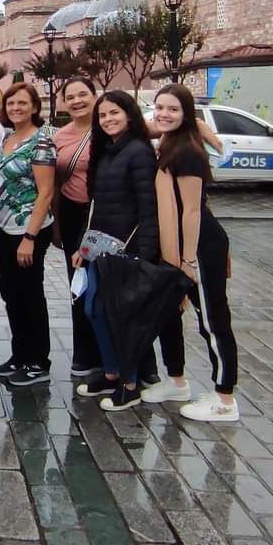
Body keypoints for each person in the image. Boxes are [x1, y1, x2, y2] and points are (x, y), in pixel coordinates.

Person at [73, 90, 168, 411]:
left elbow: (147, 207)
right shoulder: (108, 151)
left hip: (127, 251)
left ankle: (129, 384)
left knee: (121, 317)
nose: (108, 119)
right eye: (103, 115)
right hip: (102, 250)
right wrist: (82, 248)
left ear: (129, 114)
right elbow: (97, 208)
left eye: (114, 113)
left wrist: (145, 253)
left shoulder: (139, 152)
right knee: (94, 310)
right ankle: (112, 373)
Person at [150, 83, 240, 421]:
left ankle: (224, 398)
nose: (164, 114)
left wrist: (187, 261)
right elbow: (141, 122)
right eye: (160, 107)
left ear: (186, 113)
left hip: (199, 244)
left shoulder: (187, 151)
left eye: (173, 109)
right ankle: (176, 381)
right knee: (171, 313)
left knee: (213, 319)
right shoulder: (168, 140)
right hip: (179, 244)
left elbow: (191, 211)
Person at [0, 82, 56, 387]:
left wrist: (29, 238)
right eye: (11, 104)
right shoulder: (7, 137)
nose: (16, 108)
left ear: (34, 107)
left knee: (30, 294)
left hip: (30, 229)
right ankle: (19, 355)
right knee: (10, 294)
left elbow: (45, 193)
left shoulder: (40, 142)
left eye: (22, 103)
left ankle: (38, 361)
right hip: (5, 226)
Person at [52, 77, 103, 377]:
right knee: (78, 282)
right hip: (73, 214)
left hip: (105, 215)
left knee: (107, 283)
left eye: (83, 94)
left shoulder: (108, 127)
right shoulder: (60, 136)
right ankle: (84, 353)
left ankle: (110, 352)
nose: (77, 101)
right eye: (70, 97)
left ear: (95, 96)